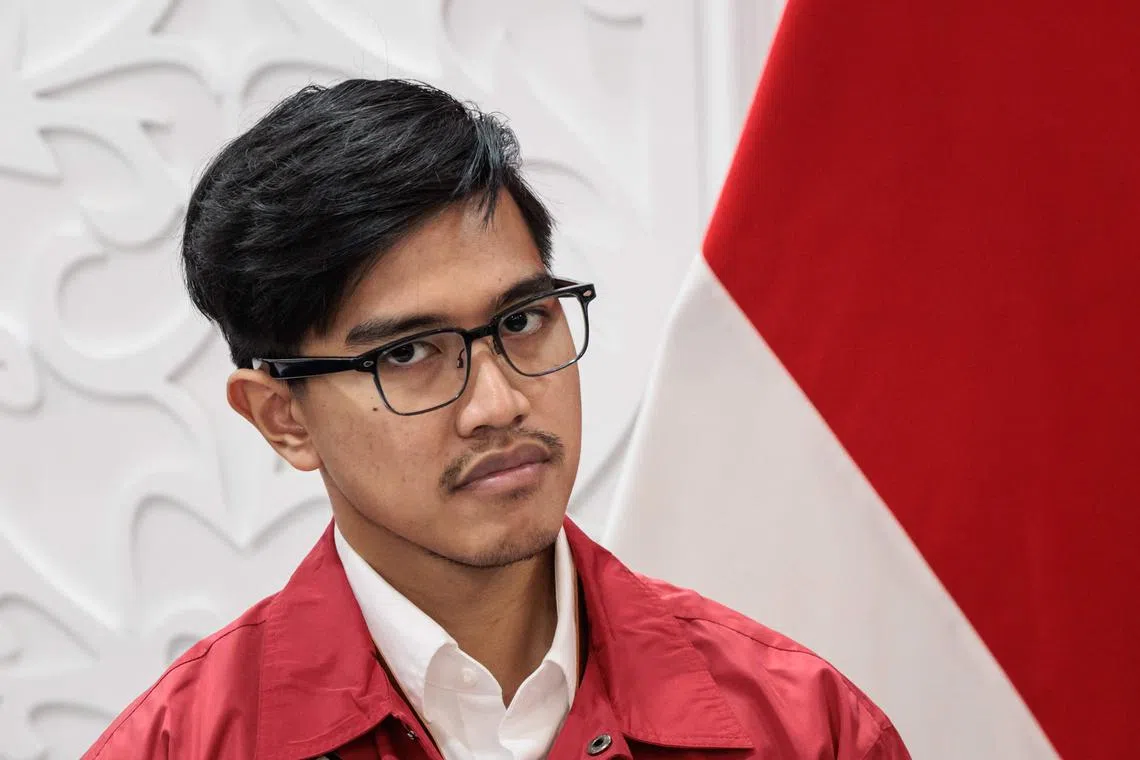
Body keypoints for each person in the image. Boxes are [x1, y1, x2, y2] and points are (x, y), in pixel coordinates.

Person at [83, 78, 910, 760]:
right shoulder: (178, 747)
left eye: (521, 321)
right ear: (282, 419)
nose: (499, 403)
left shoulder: (802, 730)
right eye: (409, 353)